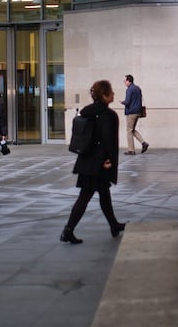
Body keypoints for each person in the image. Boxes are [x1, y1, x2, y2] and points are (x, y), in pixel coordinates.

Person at [60, 80, 125, 244]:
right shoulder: (107, 115)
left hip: (87, 161)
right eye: (111, 92)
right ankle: (68, 230)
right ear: (104, 95)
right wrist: (108, 160)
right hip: (98, 164)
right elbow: (107, 141)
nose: (114, 94)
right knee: (85, 197)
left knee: (104, 194)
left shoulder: (89, 112)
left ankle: (114, 225)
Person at [120, 74, 149, 155]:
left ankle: (131, 150)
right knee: (132, 129)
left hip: (131, 112)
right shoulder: (138, 88)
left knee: (129, 131)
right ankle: (143, 143)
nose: (124, 82)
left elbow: (128, 102)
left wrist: (122, 102)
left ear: (129, 81)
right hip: (138, 112)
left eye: (125, 81)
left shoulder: (129, 89)